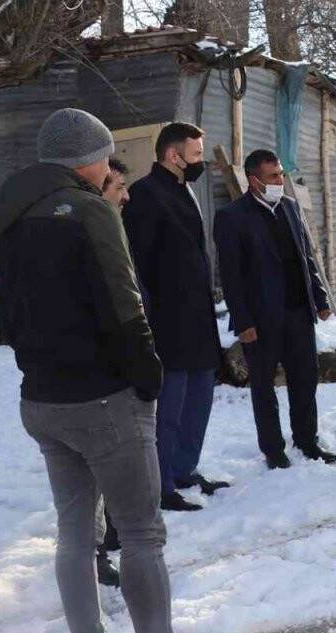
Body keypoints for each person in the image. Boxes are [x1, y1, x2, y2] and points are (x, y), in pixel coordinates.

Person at [0, 108, 172, 633]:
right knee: (141, 534)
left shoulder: (8, 213)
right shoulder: (90, 212)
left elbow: (10, 312)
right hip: (103, 398)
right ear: (89, 159)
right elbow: (124, 305)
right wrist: (148, 376)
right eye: (104, 157)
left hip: (41, 398)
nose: (106, 166)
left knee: (73, 533)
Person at [123, 122, 227, 511]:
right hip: (167, 323)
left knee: (199, 400)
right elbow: (139, 264)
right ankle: (162, 483)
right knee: (168, 409)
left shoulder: (185, 190)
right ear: (172, 155)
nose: (201, 162)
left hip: (198, 319)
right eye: (196, 155)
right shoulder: (145, 195)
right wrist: (149, 319)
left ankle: (185, 468)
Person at [214, 149, 336, 469]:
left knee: (305, 380)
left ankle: (307, 440)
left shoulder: (290, 208)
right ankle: (273, 449)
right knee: (263, 387)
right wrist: (243, 320)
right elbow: (231, 275)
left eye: (280, 174)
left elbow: (306, 258)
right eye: (272, 176)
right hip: (260, 320)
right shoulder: (232, 217)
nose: (279, 181)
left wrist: (320, 299)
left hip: (298, 313)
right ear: (253, 180)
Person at [94, 156, 132, 588]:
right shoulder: (87, 236)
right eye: (118, 187)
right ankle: (98, 551)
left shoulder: (116, 228)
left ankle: (112, 535)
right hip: (96, 379)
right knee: (99, 470)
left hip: (120, 372)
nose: (125, 195)